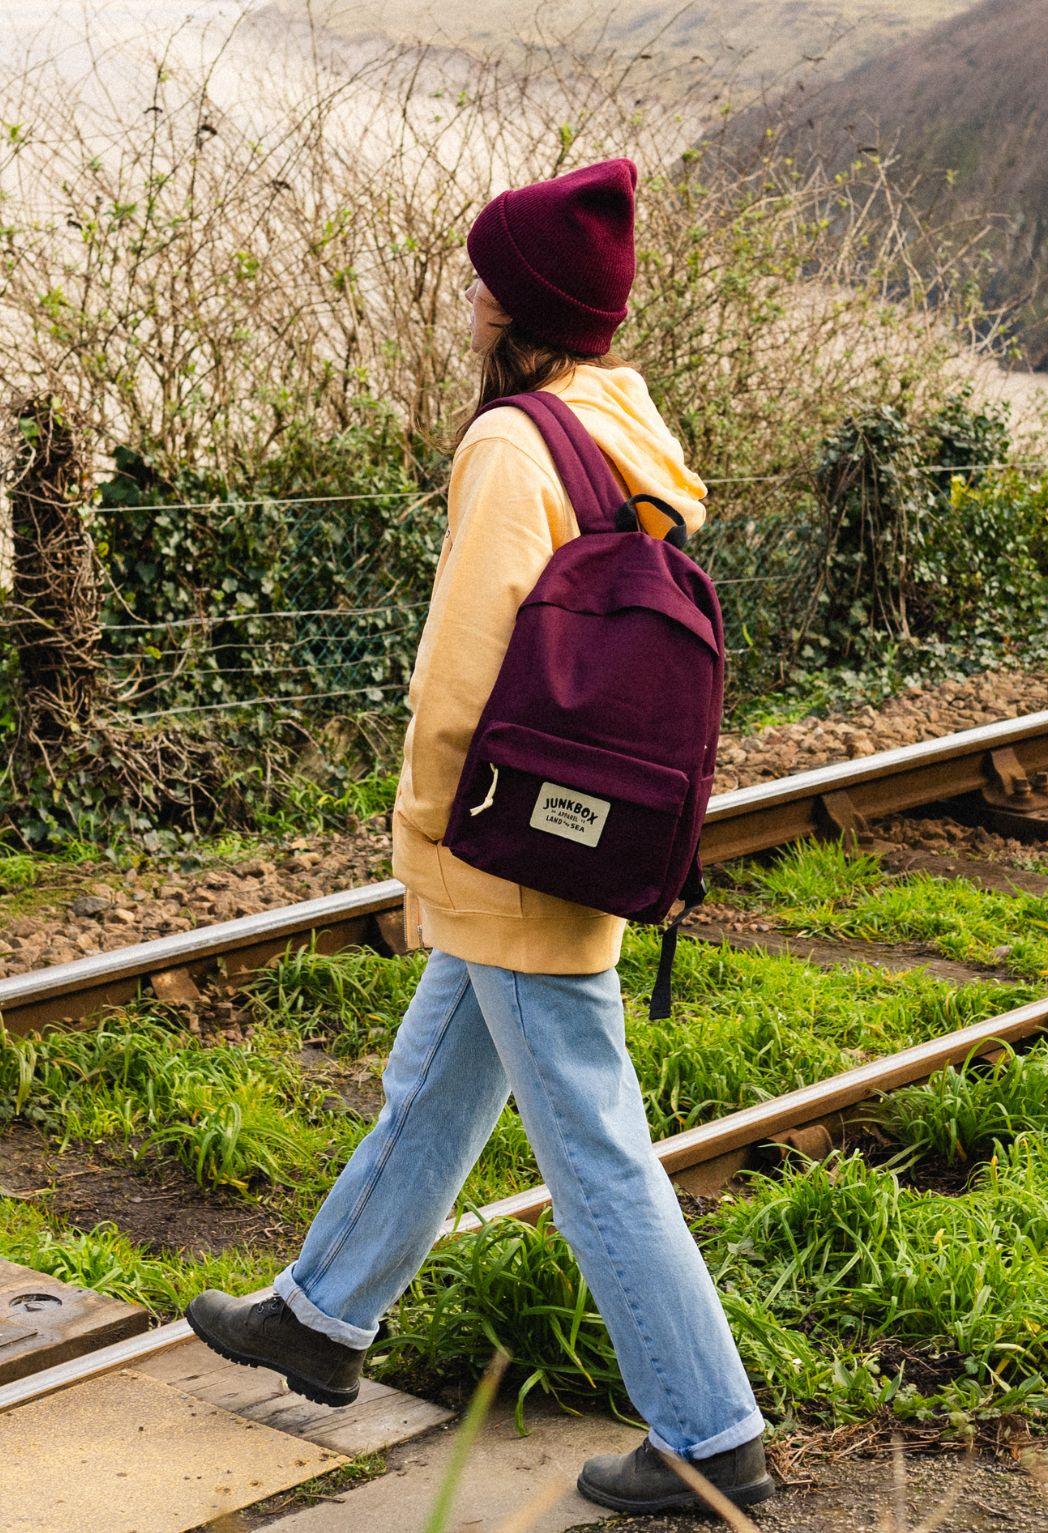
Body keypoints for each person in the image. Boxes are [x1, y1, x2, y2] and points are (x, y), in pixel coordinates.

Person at [186, 158, 774, 1515]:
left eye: (481, 280)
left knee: (590, 1134)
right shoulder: (622, 423)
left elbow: (458, 679)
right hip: (584, 828)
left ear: (514, 303)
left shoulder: (512, 444)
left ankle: (706, 1427)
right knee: (439, 1075)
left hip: (505, 837)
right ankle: (325, 1312)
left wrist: (419, 845)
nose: (466, 298)